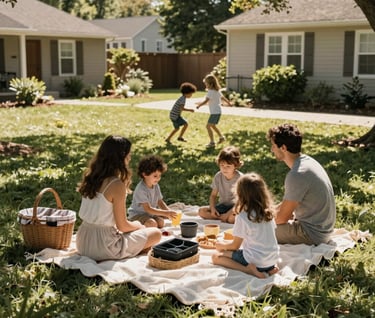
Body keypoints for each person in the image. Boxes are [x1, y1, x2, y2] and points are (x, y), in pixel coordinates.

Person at [76, 135, 161, 261]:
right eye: (128, 155)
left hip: (82, 242)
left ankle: (136, 246)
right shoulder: (115, 184)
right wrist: (139, 225)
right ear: (121, 158)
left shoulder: (91, 177)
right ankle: (136, 249)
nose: (130, 158)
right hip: (105, 246)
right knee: (156, 233)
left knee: (139, 231)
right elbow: (123, 226)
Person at [267, 123, 336, 245]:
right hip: (323, 229)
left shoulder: (297, 174)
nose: (272, 149)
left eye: (273, 146)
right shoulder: (307, 162)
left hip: (312, 235)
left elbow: (281, 218)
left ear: (283, 147)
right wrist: (268, 211)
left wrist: (259, 222)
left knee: (256, 231)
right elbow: (288, 203)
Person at [212, 172, 280, 278]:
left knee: (216, 257)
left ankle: (248, 270)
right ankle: (270, 269)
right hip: (272, 259)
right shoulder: (268, 212)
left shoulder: (243, 216)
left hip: (256, 261)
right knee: (252, 252)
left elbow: (235, 246)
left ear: (240, 194)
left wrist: (222, 246)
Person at [128, 154, 179, 228]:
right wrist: (166, 213)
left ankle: (149, 226)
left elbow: (160, 202)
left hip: (149, 215)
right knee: (152, 224)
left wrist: (170, 212)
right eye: (155, 176)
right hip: (137, 215)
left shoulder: (155, 186)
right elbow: (147, 209)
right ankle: (137, 227)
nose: (158, 179)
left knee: (161, 222)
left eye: (159, 176)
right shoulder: (141, 189)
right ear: (145, 174)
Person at [198, 145, 243, 224]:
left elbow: (241, 202)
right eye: (222, 165)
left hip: (235, 208)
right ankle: (223, 218)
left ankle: (225, 218)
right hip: (223, 206)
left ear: (236, 165)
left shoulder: (240, 178)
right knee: (201, 211)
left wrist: (228, 214)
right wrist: (212, 209)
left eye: (228, 166)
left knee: (232, 218)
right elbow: (213, 195)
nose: (224, 169)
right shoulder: (218, 176)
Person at [196, 74, 232, 148]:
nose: (205, 85)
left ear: (210, 84)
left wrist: (199, 105)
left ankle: (212, 142)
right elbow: (223, 97)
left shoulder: (211, 92)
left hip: (215, 112)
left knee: (208, 126)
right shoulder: (216, 91)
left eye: (206, 83)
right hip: (217, 112)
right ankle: (221, 137)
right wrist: (228, 103)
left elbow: (206, 101)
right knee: (212, 126)